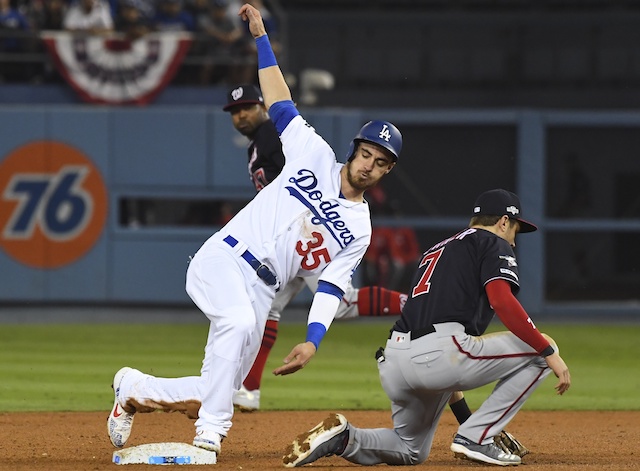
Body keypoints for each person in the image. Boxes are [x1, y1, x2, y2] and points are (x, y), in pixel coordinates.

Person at [107, 2, 402, 459]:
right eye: (367, 153)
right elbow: (280, 100)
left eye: (381, 163)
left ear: (386, 172)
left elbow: (329, 288)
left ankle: (131, 387)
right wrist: (261, 38)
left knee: (217, 386)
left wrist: (312, 339)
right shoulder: (314, 153)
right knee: (236, 336)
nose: (370, 165)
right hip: (226, 257)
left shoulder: (359, 228)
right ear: (355, 149)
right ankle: (209, 438)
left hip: (266, 290)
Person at [283, 188, 571, 468]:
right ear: (504, 221)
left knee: (411, 450)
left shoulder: (438, 249)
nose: (514, 241)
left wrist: (466, 418)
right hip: (440, 353)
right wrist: (547, 351)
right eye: (515, 231)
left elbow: (439, 362)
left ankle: (344, 438)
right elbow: (501, 300)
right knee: (540, 348)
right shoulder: (492, 242)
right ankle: (478, 437)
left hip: (396, 360)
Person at [222, 83, 408, 412]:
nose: (241, 115)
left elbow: (295, 169)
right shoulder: (257, 144)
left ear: (262, 108)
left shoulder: (268, 136)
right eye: (236, 111)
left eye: (248, 108)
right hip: (288, 241)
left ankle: (414, 304)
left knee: (340, 302)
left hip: (309, 234)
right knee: (268, 309)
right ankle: (247, 390)